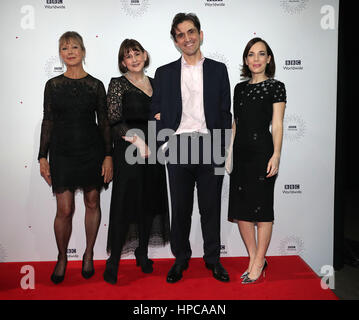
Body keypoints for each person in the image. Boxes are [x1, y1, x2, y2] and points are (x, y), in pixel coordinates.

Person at [150, 13, 232, 283]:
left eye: (191, 32)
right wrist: (164, 142)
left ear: (200, 34)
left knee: (210, 209)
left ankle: (213, 260)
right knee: (181, 209)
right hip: (179, 147)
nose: (187, 38)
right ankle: (180, 259)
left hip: (210, 145)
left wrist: (220, 147)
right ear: (175, 41)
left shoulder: (219, 70)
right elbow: (155, 112)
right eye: (181, 35)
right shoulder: (164, 73)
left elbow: (223, 111)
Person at [38, 31, 113, 284]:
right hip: (62, 153)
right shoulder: (53, 85)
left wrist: (108, 156)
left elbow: (104, 124)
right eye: (64, 48)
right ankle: (61, 257)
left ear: (83, 51)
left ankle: (89, 253)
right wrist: (42, 157)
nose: (69, 52)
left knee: (93, 203)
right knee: (65, 209)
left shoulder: (95, 85)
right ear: (60, 53)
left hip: (91, 152)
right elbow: (47, 122)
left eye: (74, 47)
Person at [103, 39, 170, 285]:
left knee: (149, 203)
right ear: (123, 62)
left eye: (137, 53)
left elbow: (165, 115)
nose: (133, 58)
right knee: (124, 204)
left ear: (144, 55)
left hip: (153, 152)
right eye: (128, 56)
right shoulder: (118, 85)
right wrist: (138, 142)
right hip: (129, 150)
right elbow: (114, 120)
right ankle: (113, 263)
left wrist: (162, 121)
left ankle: (142, 253)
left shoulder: (156, 84)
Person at [227, 37, 286, 284]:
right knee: (242, 211)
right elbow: (236, 123)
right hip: (240, 154)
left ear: (269, 58)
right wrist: (229, 152)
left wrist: (276, 154)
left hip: (263, 153)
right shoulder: (239, 88)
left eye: (262, 54)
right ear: (245, 59)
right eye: (251, 54)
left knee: (262, 212)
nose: (256, 59)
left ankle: (259, 260)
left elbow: (278, 123)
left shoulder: (276, 86)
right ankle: (255, 258)